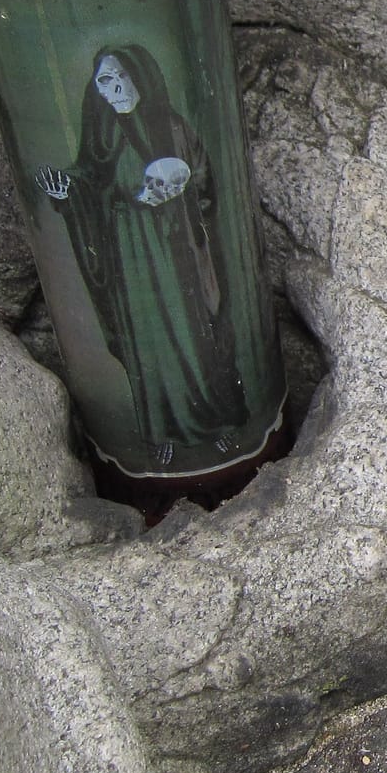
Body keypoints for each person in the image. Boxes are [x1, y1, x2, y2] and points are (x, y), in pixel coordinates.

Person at [36, 44, 248, 469]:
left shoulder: (172, 126)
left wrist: (178, 195)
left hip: (175, 250)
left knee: (192, 333)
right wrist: (69, 192)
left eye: (121, 77)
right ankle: (160, 431)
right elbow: (90, 180)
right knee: (145, 340)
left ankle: (213, 423)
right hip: (128, 253)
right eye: (105, 81)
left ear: (140, 79)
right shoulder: (101, 136)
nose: (114, 88)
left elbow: (204, 183)